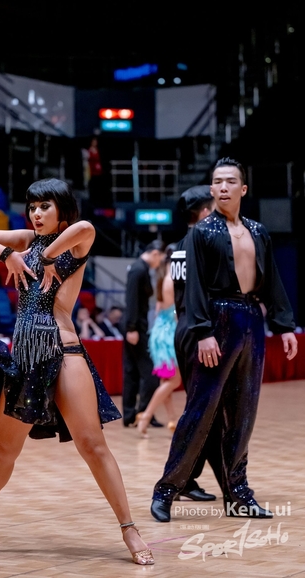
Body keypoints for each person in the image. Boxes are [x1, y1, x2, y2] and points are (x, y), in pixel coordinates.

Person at [0, 178, 154, 565]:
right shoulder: (25, 242)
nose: (36, 214)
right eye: (32, 207)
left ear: (61, 210)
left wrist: (51, 256)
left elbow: (86, 227)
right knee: (3, 452)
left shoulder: (75, 242)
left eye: (45, 206)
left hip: (64, 349)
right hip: (25, 358)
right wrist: (8, 255)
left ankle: (129, 528)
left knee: (92, 445)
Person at [150, 158, 298, 523]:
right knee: (200, 411)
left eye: (231, 181)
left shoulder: (258, 231)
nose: (223, 187)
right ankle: (166, 491)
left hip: (251, 319)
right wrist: (202, 332)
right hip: (216, 319)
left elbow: (272, 280)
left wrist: (284, 325)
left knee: (244, 412)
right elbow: (194, 288)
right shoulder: (200, 233)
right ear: (212, 189)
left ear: (243, 189)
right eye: (217, 182)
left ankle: (238, 495)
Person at [169, 185, 221, 501]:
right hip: (200, 334)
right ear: (204, 212)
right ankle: (179, 479)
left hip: (186, 329)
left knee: (205, 408)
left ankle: (189, 477)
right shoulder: (203, 246)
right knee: (201, 409)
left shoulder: (178, 246)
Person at [136, 245, 182, 437]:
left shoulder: (163, 278)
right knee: (174, 380)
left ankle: (173, 420)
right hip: (168, 335)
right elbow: (176, 312)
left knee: (166, 380)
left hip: (160, 332)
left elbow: (158, 310)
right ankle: (145, 416)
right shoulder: (173, 280)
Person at [121, 240, 166, 428]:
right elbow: (131, 300)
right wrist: (132, 328)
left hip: (135, 325)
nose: (160, 264)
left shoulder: (139, 268)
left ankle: (131, 415)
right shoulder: (139, 270)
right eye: (161, 259)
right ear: (155, 254)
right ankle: (144, 413)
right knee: (150, 373)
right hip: (135, 326)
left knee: (132, 370)